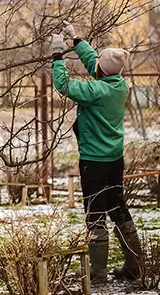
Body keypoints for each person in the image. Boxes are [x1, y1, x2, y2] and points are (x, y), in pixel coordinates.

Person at [50, 23, 143, 283]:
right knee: (118, 207)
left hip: (94, 162)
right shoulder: (119, 85)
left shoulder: (95, 91)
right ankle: (135, 266)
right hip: (115, 159)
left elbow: (63, 85)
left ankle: (97, 273)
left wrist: (57, 54)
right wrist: (77, 40)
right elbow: (96, 64)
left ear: (102, 70)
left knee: (94, 214)